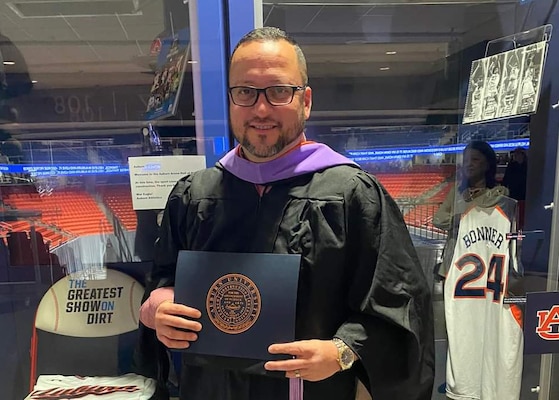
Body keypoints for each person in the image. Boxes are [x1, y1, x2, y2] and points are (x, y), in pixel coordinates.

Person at [137, 27, 434, 400]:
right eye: (245, 92)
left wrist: (342, 351)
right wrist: (158, 309)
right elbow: (162, 280)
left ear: (305, 101)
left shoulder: (353, 196)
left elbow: (400, 306)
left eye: (279, 91)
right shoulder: (194, 196)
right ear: (231, 100)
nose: (261, 109)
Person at [433, 140, 509, 275]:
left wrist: (460, 220)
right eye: (466, 160)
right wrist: (457, 220)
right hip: (453, 260)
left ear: (487, 164)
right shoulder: (456, 192)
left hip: (481, 262)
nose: (468, 164)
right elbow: (438, 219)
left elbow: (483, 218)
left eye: (475, 159)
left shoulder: (499, 193)